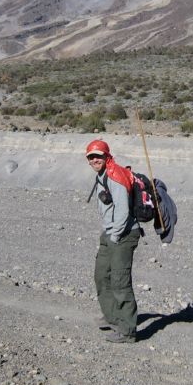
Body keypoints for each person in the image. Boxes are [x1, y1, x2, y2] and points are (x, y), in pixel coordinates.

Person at [85, 139, 140, 343]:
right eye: (91, 157)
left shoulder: (114, 175)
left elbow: (123, 211)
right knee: (101, 276)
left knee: (120, 281)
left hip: (123, 234)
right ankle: (113, 317)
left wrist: (115, 236)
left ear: (106, 156)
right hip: (110, 233)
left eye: (98, 156)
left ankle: (127, 331)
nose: (94, 160)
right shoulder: (102, 175)